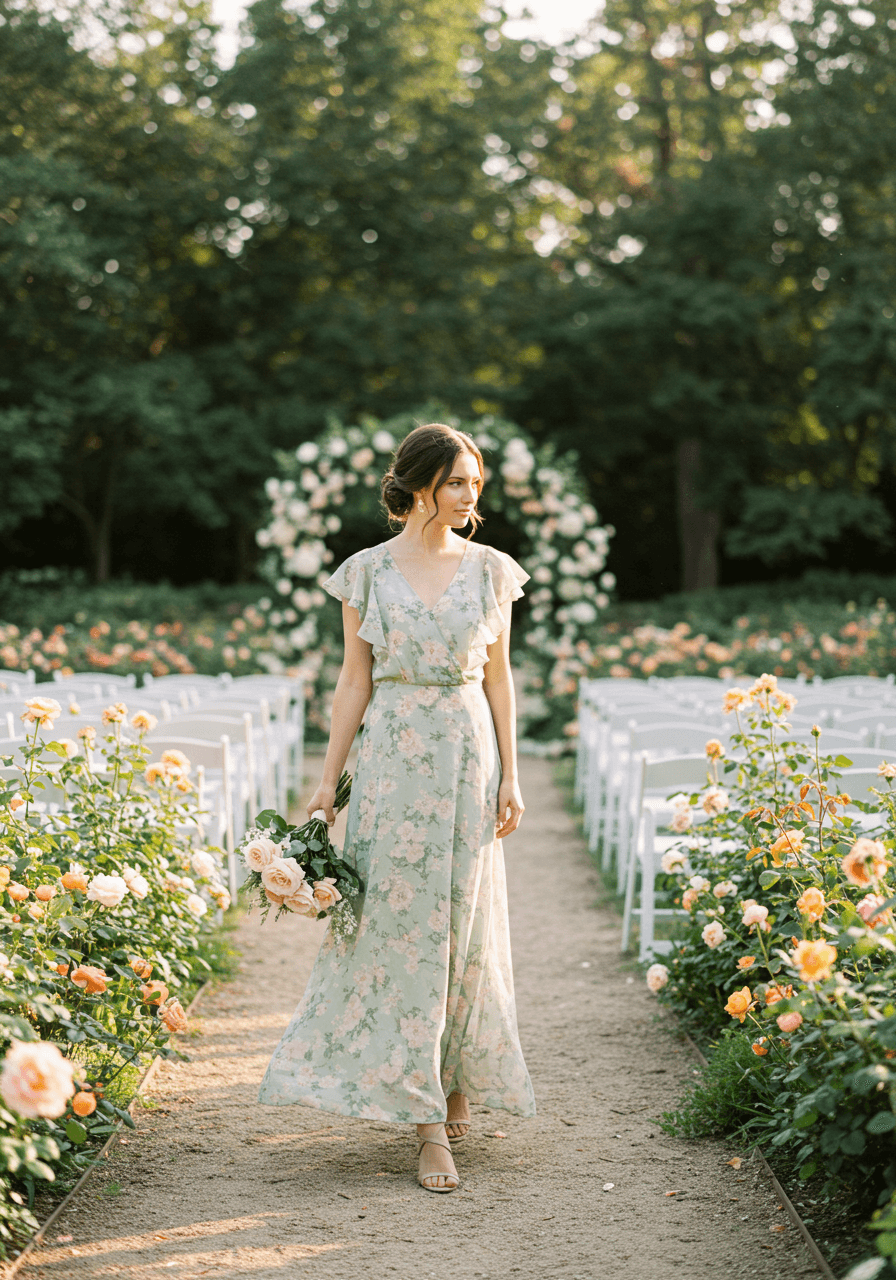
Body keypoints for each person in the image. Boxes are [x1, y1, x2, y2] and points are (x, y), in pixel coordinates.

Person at [258, 422, 536, 1193]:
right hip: (391, 762)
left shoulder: (492, 572)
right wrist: (325, 783)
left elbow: (501, 679)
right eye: (457, 483)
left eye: (476, 483)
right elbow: (354, 681)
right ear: (419, 486)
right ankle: (426, 1124)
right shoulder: (366, 574)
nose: (470, 496)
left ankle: (455, 1086)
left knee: (465, 922)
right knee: (403, 929)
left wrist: (512, 774)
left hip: (469, 755)